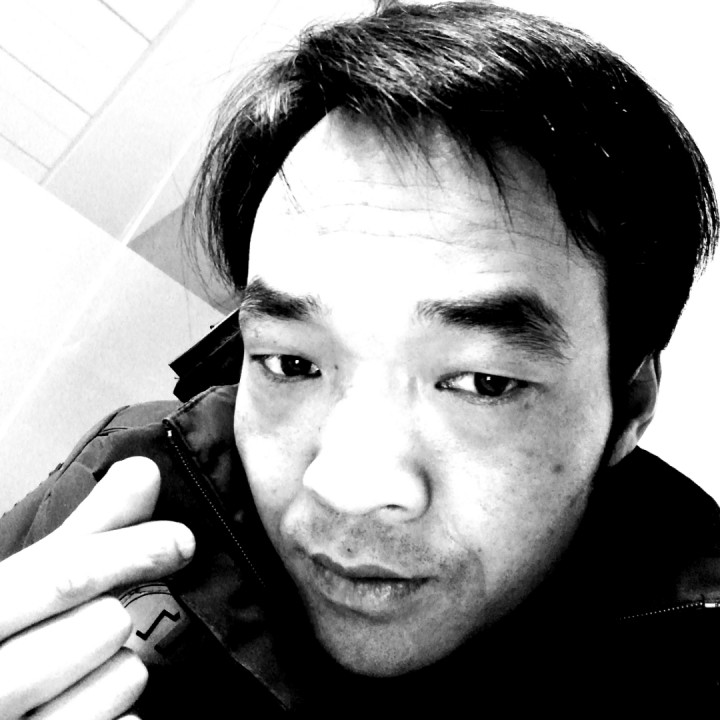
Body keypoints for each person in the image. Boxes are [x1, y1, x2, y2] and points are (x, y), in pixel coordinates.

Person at [1, 1, 718, 716]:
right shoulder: (125, 484)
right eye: (291, 364)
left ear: (629, 406)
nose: (343, 486)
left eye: (482, 381)